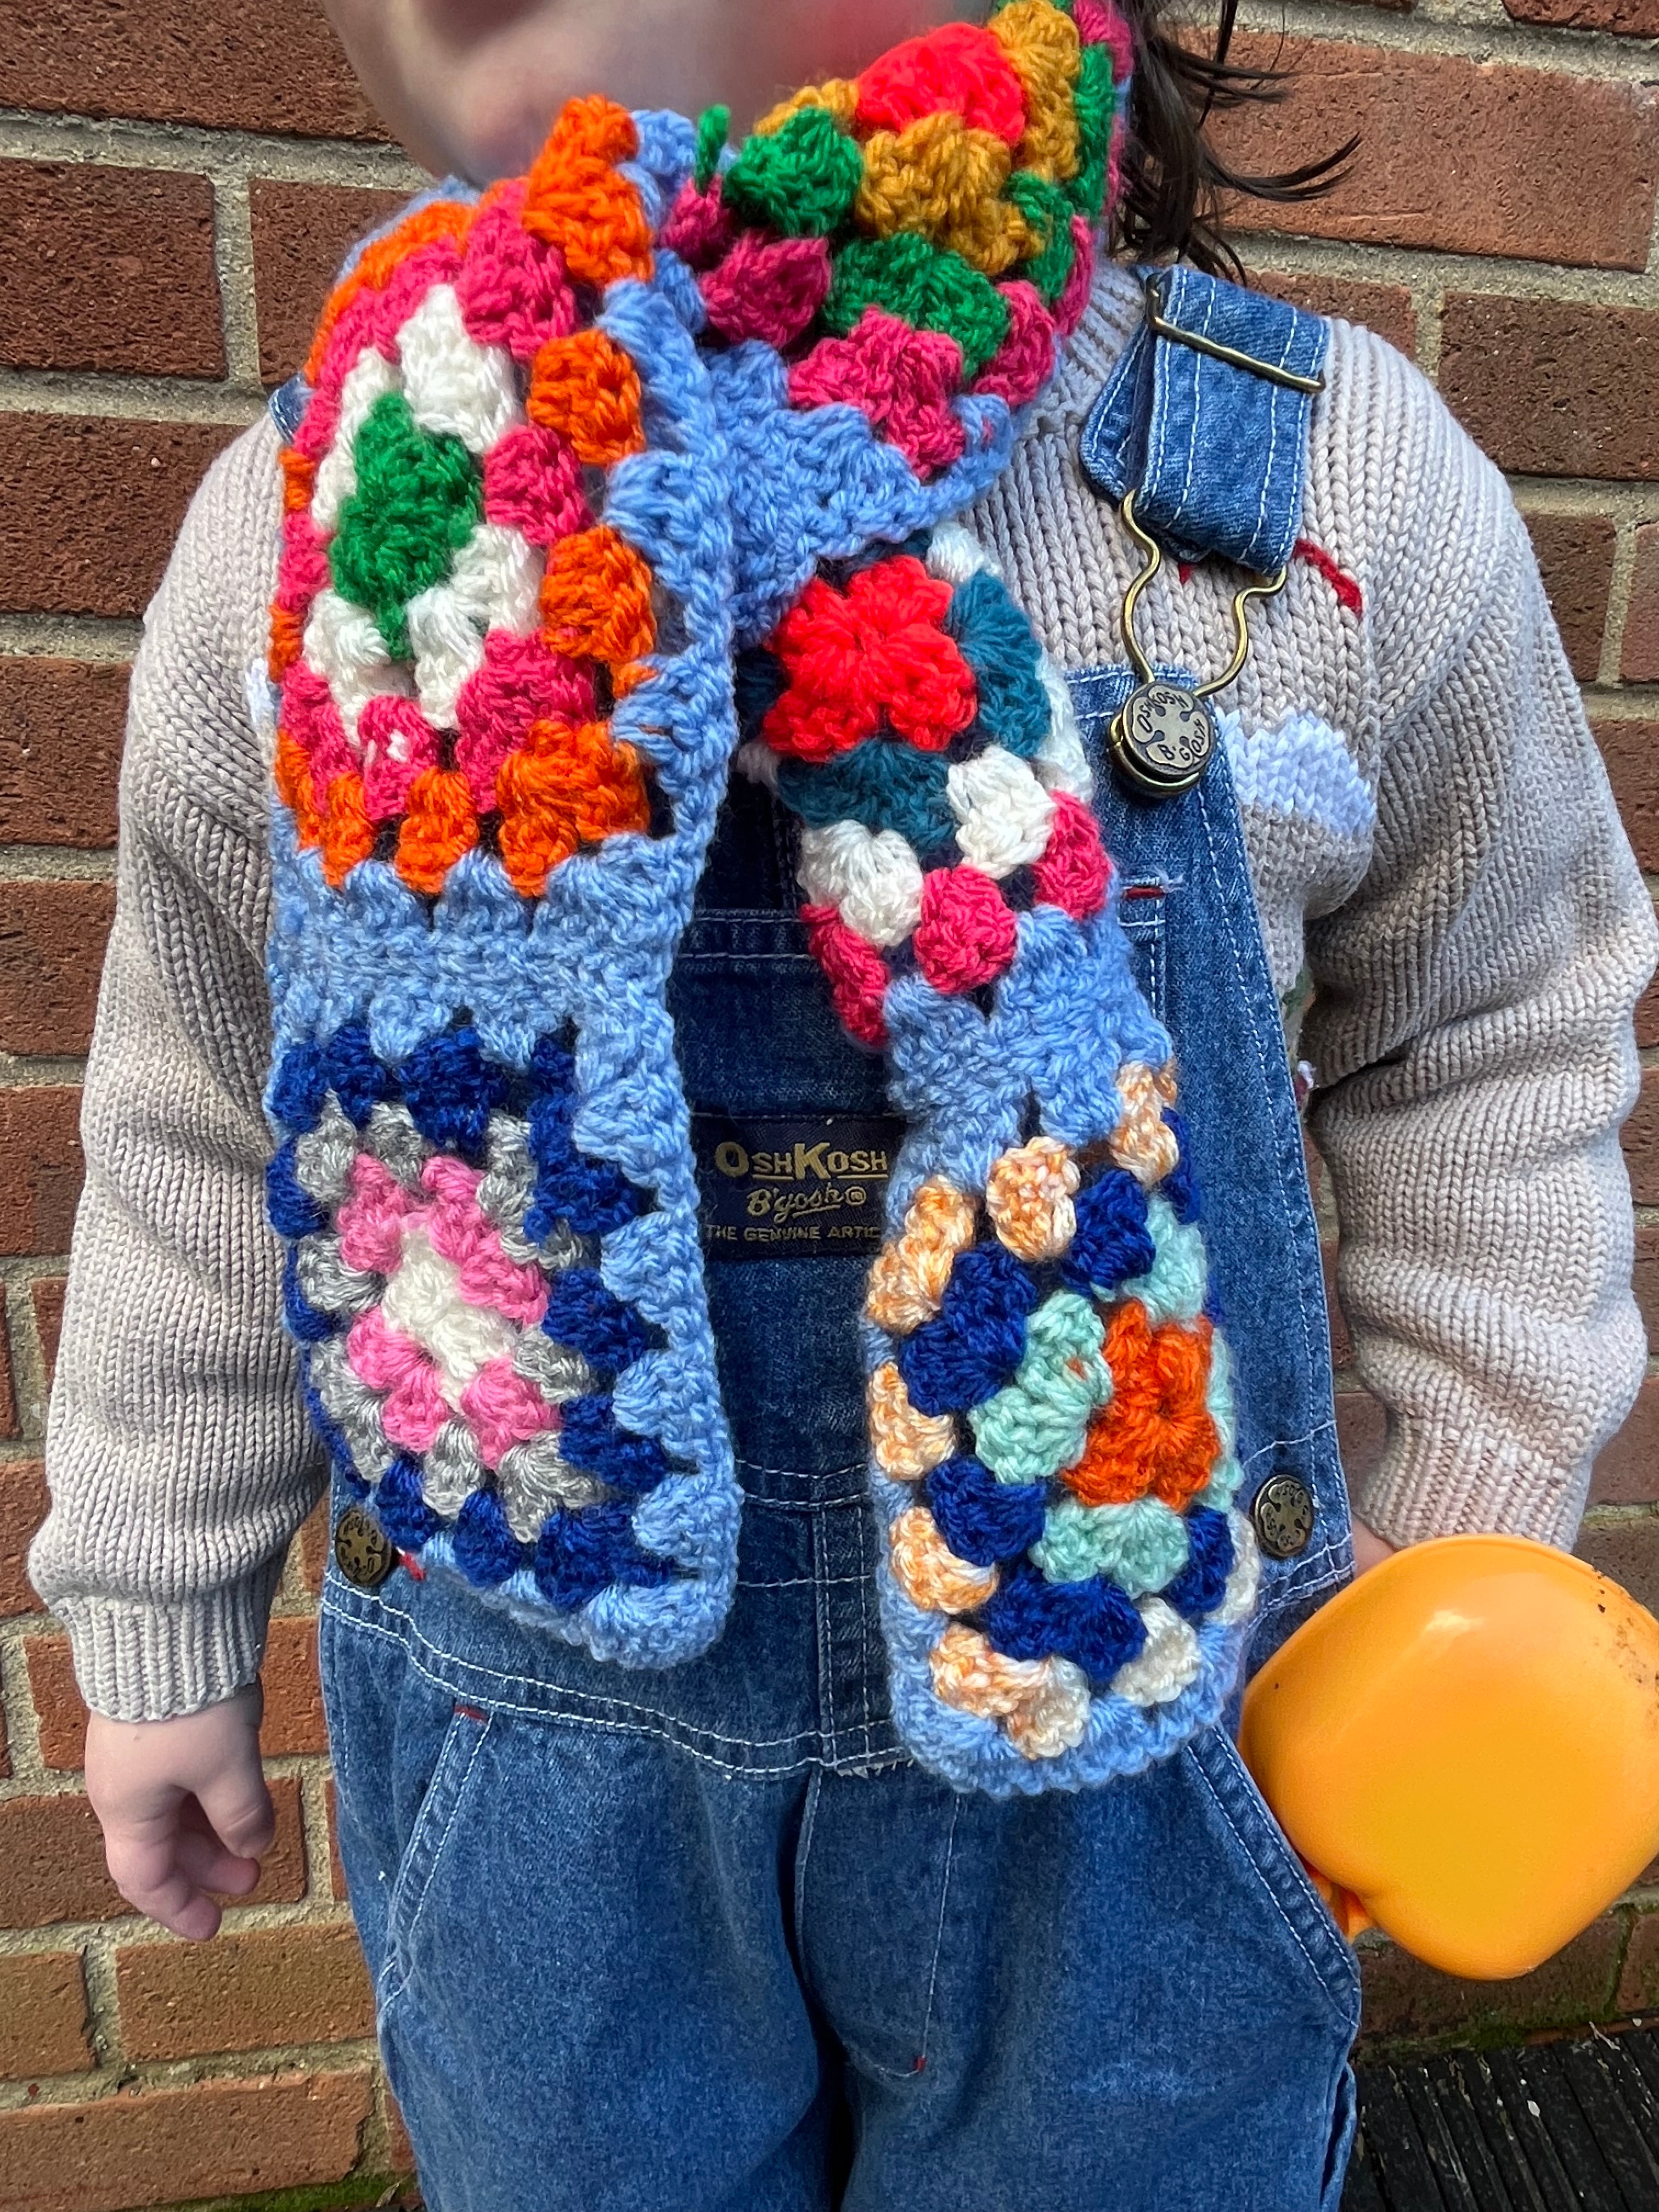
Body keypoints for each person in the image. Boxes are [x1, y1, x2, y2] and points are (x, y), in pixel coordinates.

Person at [30, 2, 1654, 2207]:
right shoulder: (333, 526)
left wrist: (1453, 1532)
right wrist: (156, 1610)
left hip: (1137, 1722)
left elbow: (1496, 1021)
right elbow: (212, 1099)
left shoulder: (1323, 495)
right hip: (544, 1754)